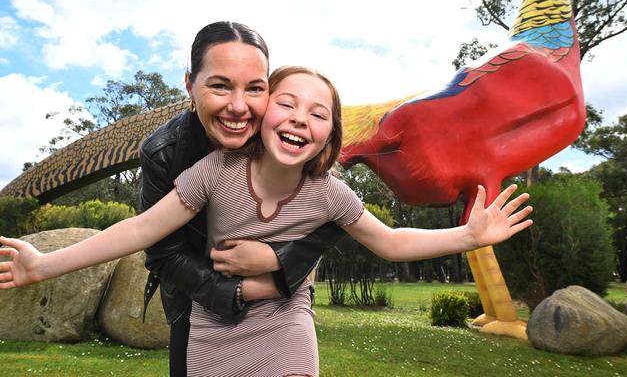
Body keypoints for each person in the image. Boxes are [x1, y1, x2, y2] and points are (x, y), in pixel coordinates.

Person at [0, 65, 533, 377]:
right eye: (287, 103)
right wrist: (45, 265)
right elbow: (141, 230)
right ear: (262, 115)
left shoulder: (329, 193)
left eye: (319, 113)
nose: (301, 117)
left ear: (329, 137)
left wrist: (467, 235)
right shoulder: (215, 172)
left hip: (286, 333)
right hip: (214, 330)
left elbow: (390, 242)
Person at [137, 21, 346, 376]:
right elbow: (159, 249)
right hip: (198, 299)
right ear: (190, 85)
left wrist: (278, 259)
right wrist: (240, 289)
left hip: (282, 305)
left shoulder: (280, 138)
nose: (238, 107)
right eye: (219, 86)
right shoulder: (164, 153)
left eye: (254, 89)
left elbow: (332, 218)